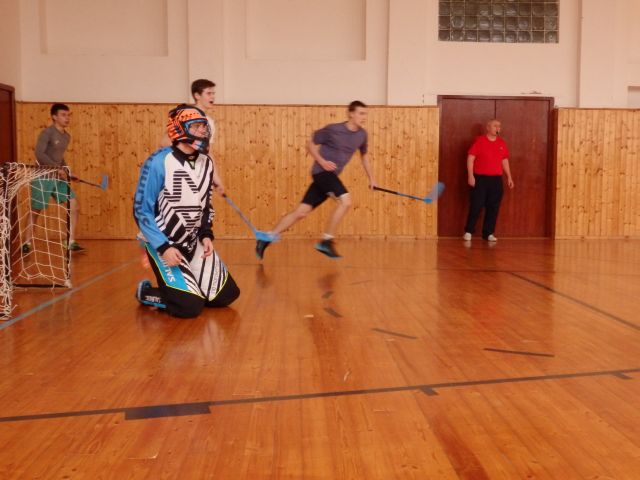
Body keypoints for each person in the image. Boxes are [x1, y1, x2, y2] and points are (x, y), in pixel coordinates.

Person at [134, 104, 240, 318]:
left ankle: (188, 288)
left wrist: (206, 234)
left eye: (204, 126)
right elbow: (141, 210)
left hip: (193, 241)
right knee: (189, 307)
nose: (203, 130)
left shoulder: (206, 163)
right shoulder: (158, 161)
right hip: (164, 243)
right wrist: (163, 247)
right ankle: (146, 293)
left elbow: (205, 205)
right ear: (179, 129)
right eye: (196, 126)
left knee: (226, 296)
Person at [255, 100, 376, 260]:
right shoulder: (333, 130)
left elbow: (364, 156)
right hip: (321, 173)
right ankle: (326, 241)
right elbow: (310, 144)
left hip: (330, 176)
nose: (364, 117)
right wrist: (322, 161)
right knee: (345, 201)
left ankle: (266, 238)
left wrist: (371, 179)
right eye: (361, 113)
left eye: (365, 114)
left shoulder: (362, 135)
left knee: (301, 212)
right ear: (351, 114)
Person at [23, 103, 83, 253]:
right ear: (54, 117)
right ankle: (26, 242)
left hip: (58, 177)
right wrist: (58, 169)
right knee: (36, 210)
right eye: (63, 115)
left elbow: (59, 158)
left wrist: (68, 171)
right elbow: (40, 154)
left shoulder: (66, 136)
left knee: (74, 206)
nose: (67, 118)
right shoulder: (47, 133)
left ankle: (70, 241)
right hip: (42, 177)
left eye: (68, 115)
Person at [160, 79, 224, 196]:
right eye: (208, 93)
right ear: (197, 95)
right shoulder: (185, 116)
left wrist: (215, 177)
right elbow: (165, 142)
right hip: (179, 172)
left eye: (213, 93)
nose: (212, 97)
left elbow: (208, 152)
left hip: (197, 173)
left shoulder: (209, 122)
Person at [463, 119, 514, 242]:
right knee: (476, 205)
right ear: (488, 127)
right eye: (495, 126)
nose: (498, 128)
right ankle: (468, 231)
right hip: (480, 179)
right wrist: (471, 176)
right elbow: (470, 158)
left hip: (496, 180)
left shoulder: (501, 143)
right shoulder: (479, 141)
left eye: (499, 126)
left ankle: (488, 233)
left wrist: (509, 177)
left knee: (493, 207)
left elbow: (504, 161)